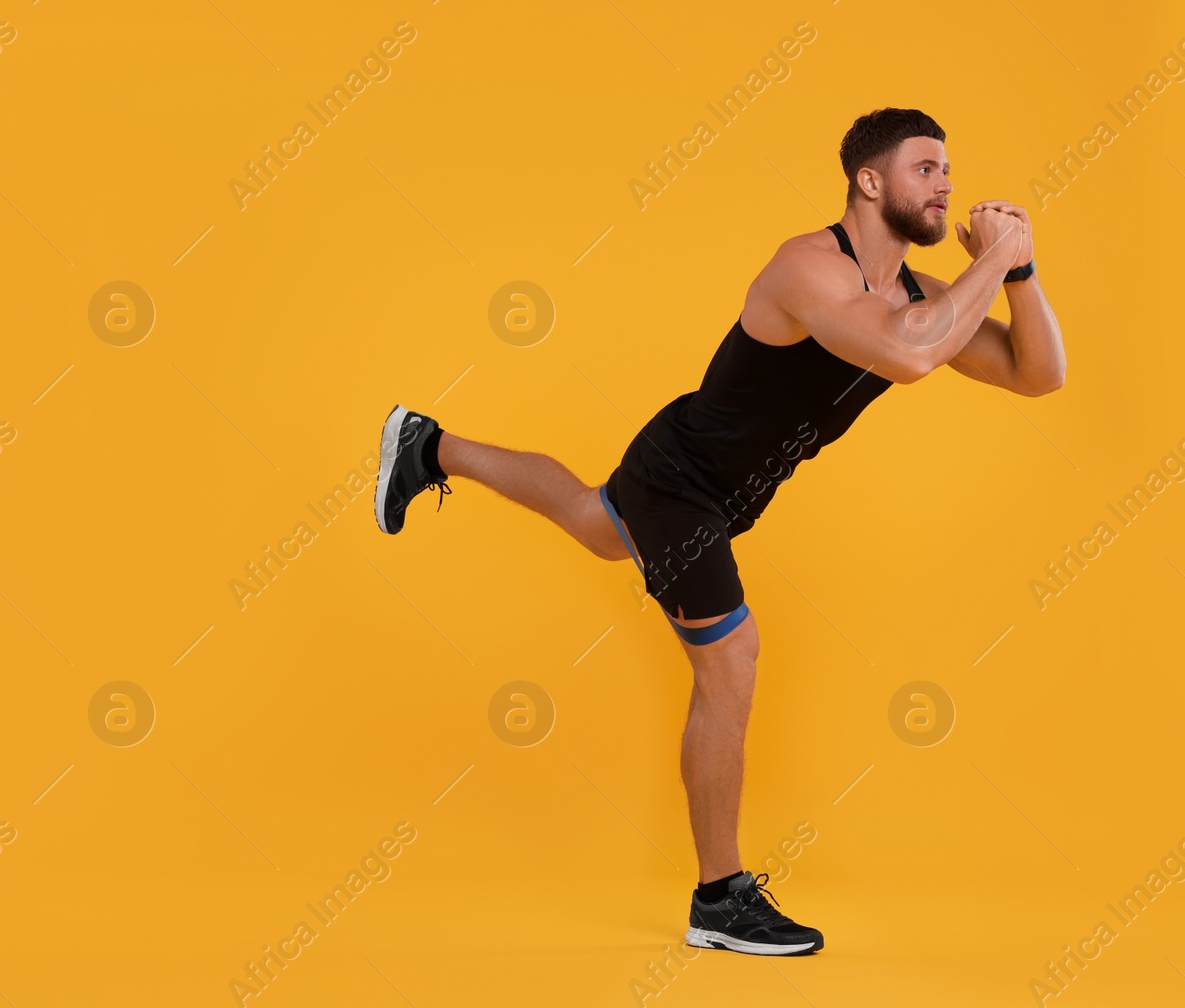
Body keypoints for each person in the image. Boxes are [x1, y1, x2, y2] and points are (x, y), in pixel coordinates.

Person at [374, 108, 1065, 956]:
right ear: (870, 182)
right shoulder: (807, 267)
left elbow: (1040, 375)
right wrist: (992, 256)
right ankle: (720, 896)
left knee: (595, 521)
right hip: (685, 485)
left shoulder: (924, 294)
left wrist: (1022, 272)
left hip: (717, 480)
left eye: (949, 170)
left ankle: (427, 444)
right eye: (926, 169)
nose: (947, 185)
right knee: (731, 660)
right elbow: (910, 353)